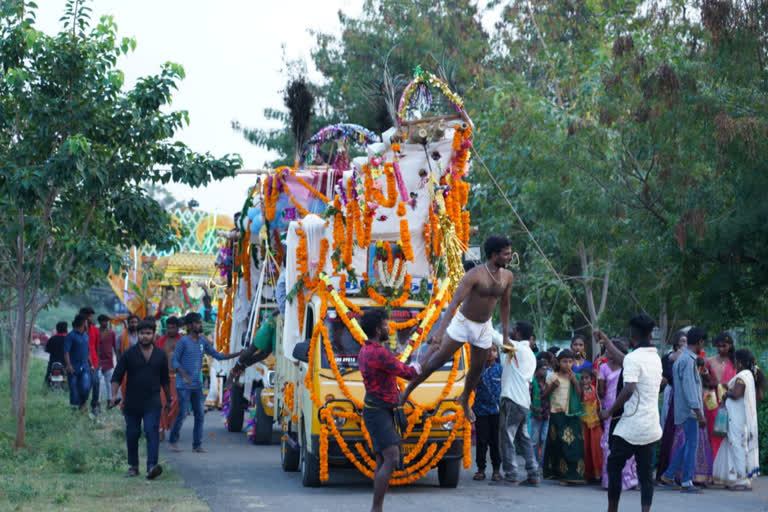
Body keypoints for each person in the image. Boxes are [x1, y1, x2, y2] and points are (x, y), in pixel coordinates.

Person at [400, 235, 515, 422]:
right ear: (494, 255)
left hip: (484, 326)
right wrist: (439, 332)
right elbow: (454, 303)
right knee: (437, 360)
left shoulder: (508, 276)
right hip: (463, 323)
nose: (510, 257)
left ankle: (464, 397)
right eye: (506, 254)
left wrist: (505, 336)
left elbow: (505, 305)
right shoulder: (475, 275)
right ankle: (408, 390)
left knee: (478, 367)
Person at [596, 314, 662, 512]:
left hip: (631, 426)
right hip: (651, 427)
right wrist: (606, 341)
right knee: (645, 475)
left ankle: (612, 509)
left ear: (632, 336)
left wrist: (609, 411)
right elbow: (626, 360)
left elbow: (629, 388)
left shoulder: (635, 358)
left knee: (614, 465)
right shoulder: (655, 357)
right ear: (650, 334)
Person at [357, 310, 421, 512]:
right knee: (392, 456)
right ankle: (376, 509)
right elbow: (407, 372)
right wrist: (422, 364)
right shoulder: (378, 353)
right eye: (386, 324)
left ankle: (377, 508)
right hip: (378, 412)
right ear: (378, 329)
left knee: (383, 459)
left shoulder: (366, 350)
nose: (389, 328)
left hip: (377, 411)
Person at [169, 312, 241, 452]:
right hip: (183, 386)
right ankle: (173, 440)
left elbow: (217, 355)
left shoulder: (203, 342)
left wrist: (238, 354)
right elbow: (174, 361)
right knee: (183, 413)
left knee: (200, 415)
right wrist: (183, 374)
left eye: (200, 322)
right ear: (189, 326)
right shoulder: (183, 341)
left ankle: (197, 445)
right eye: (196, 323)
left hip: (196, 385)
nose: (200, 325)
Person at [109, 319, 171, 479]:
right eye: (142, 333)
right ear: (137, 334)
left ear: (154, 335)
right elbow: (116, 376)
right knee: (132, 433)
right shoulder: (128, 354)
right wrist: (114, 395)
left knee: (151, 432)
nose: (145, 336)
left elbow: (165, 379)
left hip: (153, 402)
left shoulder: (160, 355)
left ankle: (151, 467)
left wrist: (169, 399)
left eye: (148, 333)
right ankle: (133, 467)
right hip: (132, 402)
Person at [660, 327, 708, 492]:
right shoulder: (688, 361)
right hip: (690, 410)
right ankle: (687, 481)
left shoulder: (684, 359)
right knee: (692, 444)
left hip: (684, 408)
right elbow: (689, 389)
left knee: (688, 443)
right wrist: (699, 413)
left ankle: (668, 474)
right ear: (700, 342)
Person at [712, 349, 764, 490]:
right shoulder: (751, 375)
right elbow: (760, 397)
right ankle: (732, 478)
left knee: (737, 445)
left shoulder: (743, 375)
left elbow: (737, 393)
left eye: (735, 361)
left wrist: (726, 393)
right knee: (736, 445)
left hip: (737, 418)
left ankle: (741, 479)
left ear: (740, 362)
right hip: (741, 416)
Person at [496, 320, 539, 485]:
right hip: (522, 401)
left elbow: (495, 337)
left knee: (507, 437)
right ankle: (533, 473)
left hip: (512, 400)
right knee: (523, 438)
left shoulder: (518, 348)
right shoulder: (527, 351)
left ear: (519, 333)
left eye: (513, 329)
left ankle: (511, 475)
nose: (511, 331)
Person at [597, 338, 638, 491]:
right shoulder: (603, 368)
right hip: (610, 408)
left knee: (626, 440)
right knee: (609, 443)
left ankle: (628, 480)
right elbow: (601, 391)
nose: (607, 353)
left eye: (609, 350)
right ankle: (610, 480)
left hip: (626, 408)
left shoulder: (628, 368)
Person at [543, 349, 585, 485]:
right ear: (558, 362)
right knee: (560, 445)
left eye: (570, 361)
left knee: (574, 446)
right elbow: (544, 396)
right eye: (564, 361)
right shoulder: (552, 377)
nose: (568, 364)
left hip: (572, 415)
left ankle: (575, 475)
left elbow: (581, 397)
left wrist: (575, 382)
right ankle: (561, 475)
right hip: (557, 414)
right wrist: (552, 387)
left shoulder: (576, 377)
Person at [703, 332, 737, 457]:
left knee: (732, 433)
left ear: (730, 345)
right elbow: (704, 384)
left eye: (724, 346)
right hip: (713, 403)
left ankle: (729, 466)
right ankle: (715, 464)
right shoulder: (709, 361)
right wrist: (713, 385)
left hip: (732, 400)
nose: (721, 349)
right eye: (718, 346)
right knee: (715, 432)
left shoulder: (736, 362)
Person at [472, 344, 502, 482]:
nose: (490, 353)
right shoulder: (477, 369)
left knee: (495, 442)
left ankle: (496, 470)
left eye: (494, 351)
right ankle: (481, 469)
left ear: (497, 354)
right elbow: (471, 388)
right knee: (481, 441)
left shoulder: (501, 370)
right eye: (487, 350)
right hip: (481, 410)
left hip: (496, 411)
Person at [157, 316, 182, 441]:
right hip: (163, 377)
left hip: (178, 378)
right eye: (168, 328)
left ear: (178, 328)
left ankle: (172, 428)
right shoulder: (161, 341)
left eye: (173, 328)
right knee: (162, 404)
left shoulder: (183, 341)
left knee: (176, 405)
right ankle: (160, 428)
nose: (170, 330)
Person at [579, 362, 603, 482]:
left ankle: (597, 474)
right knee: (585, 449)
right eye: (582, 378)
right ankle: (587, 473)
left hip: (594, 423)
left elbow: (599, 402)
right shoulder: (578, 391)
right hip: (583, 423)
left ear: (591, 379)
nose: (584, 381)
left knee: (596, 448)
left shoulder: (594, 389)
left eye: (587, 378)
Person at [63, 314, 93, 412]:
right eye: (86, 322)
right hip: (73, 367)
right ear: (82, 323)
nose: (88, 324)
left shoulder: (86, 336)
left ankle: (82, 403)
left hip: (85, 366)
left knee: (86, 387)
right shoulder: (70, 336)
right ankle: (74, 408)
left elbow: (87, 351)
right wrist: (69, 365)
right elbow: (66, 352)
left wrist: (91, 365)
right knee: (74, 389)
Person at [530, 358, 552, 471]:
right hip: (536, 415)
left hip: (547, 414)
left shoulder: (549, 382)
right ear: (537, 370)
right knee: (534, 440)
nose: (545, 371)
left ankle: (543, 463)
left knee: (544, 439)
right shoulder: (532, 382)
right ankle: (534, 462)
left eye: (546, 369)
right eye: (542, 369)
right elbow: (527, 398)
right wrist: (533, 407)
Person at [80, 307, 101, 414]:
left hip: (94, 362)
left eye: (91, 316)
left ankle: (94, 406)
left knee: (96, 383)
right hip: (81, 362)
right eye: (89, 316)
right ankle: (82, 404)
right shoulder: (78, 329)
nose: (91, 318)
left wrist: (98, 361)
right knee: (85, 385)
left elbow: (97, 347)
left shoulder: (95, 330)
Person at [96, 315, 119, 404]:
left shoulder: (112, 333)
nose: (104, 323)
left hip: (109, 360)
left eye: (106, 321)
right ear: (99, 322)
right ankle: (97, 400)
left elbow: (115, 346)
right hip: (97, 360)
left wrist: (117, 358)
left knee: (109, 382)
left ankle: (110, 400)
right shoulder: (96, 332)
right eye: (102, 321)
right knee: (97, 381)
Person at [44, 322, 68, 387]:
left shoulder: (52, 339)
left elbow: (47, 350)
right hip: (64, 362)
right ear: (66, 329)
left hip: (53, 362)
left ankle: (46, 387)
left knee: (48, 374)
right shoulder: (68, 339)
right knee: (67, 375)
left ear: (57, 329)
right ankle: (66, 387)